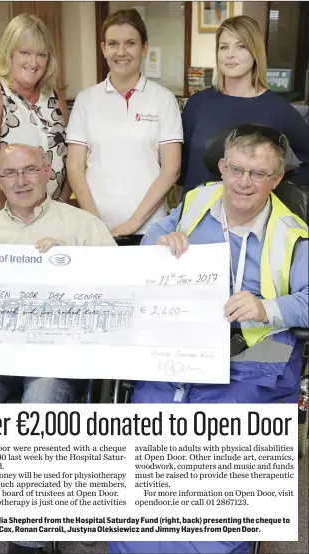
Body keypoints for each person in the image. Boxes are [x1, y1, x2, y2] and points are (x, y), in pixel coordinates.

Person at [108, 125, 308, 554]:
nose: (244, 182)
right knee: (152, 437)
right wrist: (161, 242)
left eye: (258, 173)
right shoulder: (195, 202)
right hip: (185, 337)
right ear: (221, 167)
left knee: (218, 453)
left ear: (276, 179)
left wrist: (266, 308)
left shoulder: (293, 233)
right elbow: (147, 242)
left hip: (258, 348)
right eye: (236, 170)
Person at [0, 144, 116, 554]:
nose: (21, 181)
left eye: (29, 171)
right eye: (10, 174)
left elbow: (119, 290)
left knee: (41, 404)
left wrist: (75, 264)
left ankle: (31, 528)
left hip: (59, 353)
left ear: (47, 172)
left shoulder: (83, 225)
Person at [66, 8, 183, 245]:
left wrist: (133, 223)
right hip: (97, 228)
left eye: (130, 43)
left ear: (144, 48)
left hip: (150, 228)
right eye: (113, 44)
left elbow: (171, 169)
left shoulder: (163, 99)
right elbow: (75, 168)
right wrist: (95, 222)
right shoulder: (86, 100)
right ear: (103, 49)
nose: (121, 52)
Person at [178, 15, 309, 198]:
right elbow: (181, 168)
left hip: (251, 219)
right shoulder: (198, 103)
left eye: (241, 46)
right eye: (224, 47)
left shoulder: (278, 108)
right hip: (196, 216)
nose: (230, 54)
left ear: (255, 52)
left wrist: (281, 191)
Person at [0, 13, 71, 228]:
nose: (33, 62)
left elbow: (69, 156)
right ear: (9, 53)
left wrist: (59, 208)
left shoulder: (53, 96)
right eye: (25, 52)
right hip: (6, 221)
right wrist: (18, 220)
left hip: (52, 219)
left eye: (41, 54)